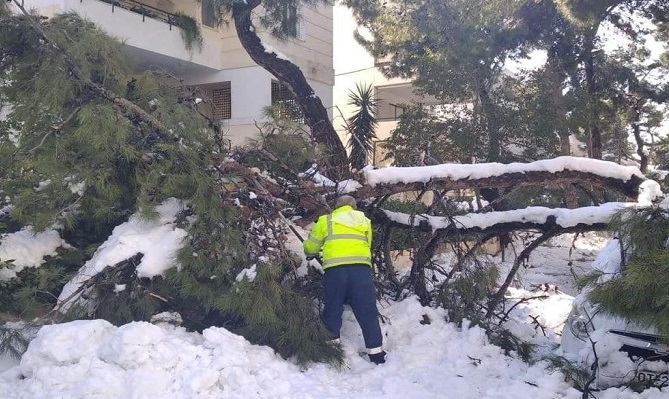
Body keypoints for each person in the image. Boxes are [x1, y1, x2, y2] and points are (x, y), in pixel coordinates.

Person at [303, 195, 386, 365]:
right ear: (354, 207)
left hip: (335, 272)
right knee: (367, 311)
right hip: (361, 271)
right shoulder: (365, 222)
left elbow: (311, 246)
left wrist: (310, 253)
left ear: (336, 207)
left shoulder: (326, 221)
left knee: (333, 308)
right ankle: (376, 354)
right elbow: (367, 244)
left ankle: (332, 351)